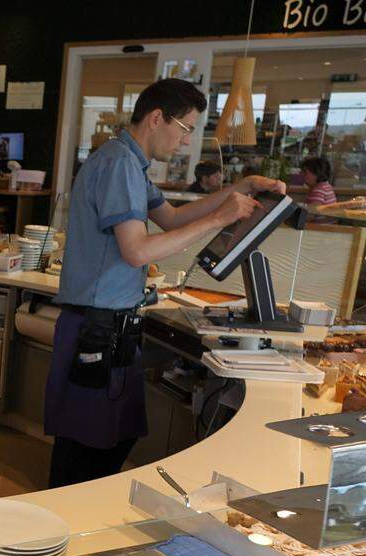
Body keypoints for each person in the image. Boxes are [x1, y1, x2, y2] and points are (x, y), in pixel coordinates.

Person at [45, 78, 285, 488]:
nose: (186, 141)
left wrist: (238, 190)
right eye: (187, 128)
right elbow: (137, 251)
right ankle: (61, 535)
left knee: (107, 444)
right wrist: (220, 218)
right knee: (86, 455)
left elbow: (171, 217)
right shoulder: (119, 164)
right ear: (157, 118)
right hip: (97, 329)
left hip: (109, 326)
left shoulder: (129, 163)